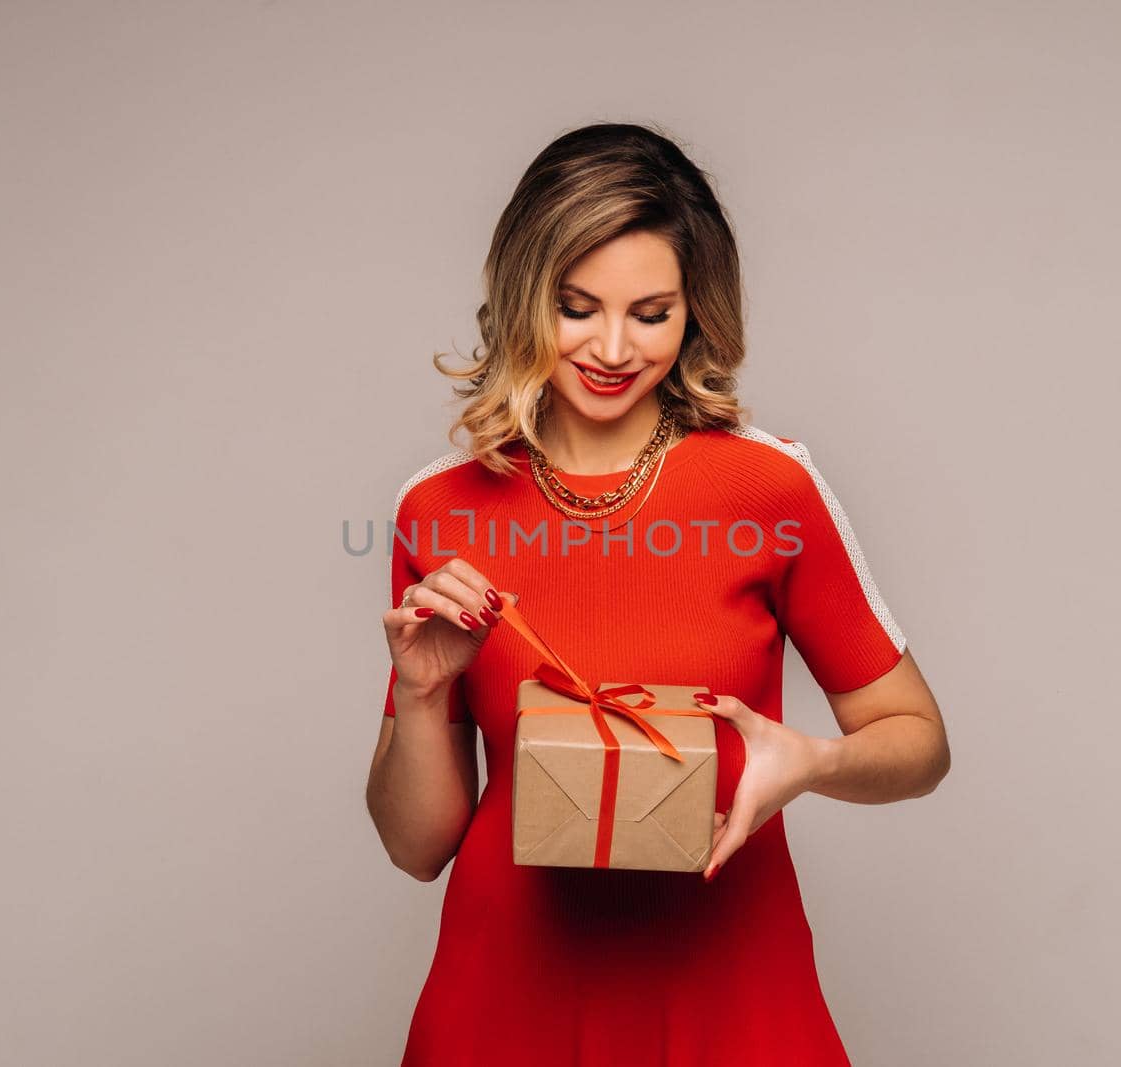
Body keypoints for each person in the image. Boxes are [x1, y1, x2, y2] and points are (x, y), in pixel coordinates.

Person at [365, 121, 949, 1066]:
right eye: (575, 305)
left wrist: (807, 761)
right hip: (504, 1004)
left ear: (694, 313)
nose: (610, 347)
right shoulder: (438, 507)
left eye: (651, 312)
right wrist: (424, 693)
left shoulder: (768, 487)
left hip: (732, 992)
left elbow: (920, 742)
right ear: (521, 298)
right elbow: (417, 845)